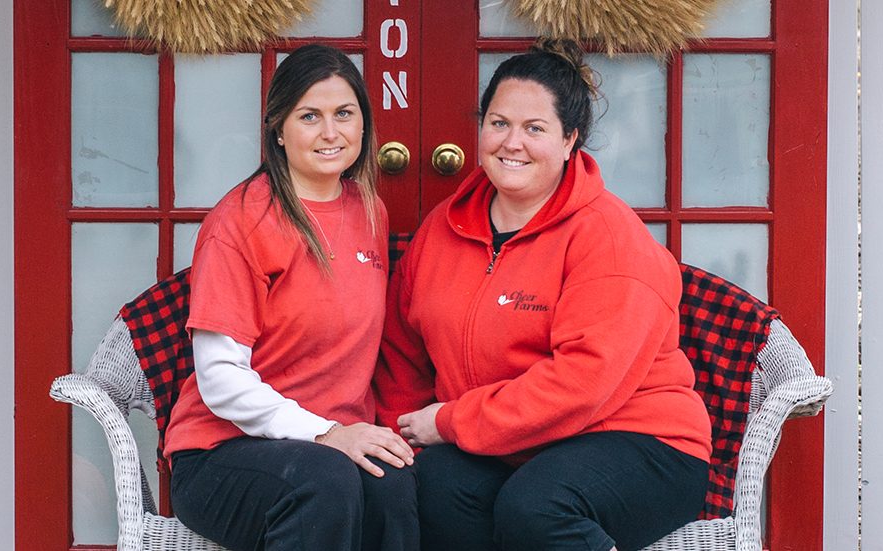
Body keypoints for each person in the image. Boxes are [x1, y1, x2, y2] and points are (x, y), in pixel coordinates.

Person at [375, 39, 711, 551]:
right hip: (508, 445)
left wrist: (449, 420)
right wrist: (403, 438)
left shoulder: (608, 236)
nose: (512, 143)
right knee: (430, 485)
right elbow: (403, 352)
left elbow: (583, 383)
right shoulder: (441, 229)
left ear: (570, 139)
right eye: (499, 123)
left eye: (535, 129)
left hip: (638, 442)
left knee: (537, 505)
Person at [165, 44, 418, 551]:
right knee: (324, 484)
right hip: (223, 452)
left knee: (396, 489)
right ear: (278, 130)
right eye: (310, 117)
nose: (331, 133)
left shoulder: (368, 209)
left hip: (333, 442)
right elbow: (220, 379)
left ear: (364, 125)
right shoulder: (241, 221)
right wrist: (326, 434)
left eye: (345, 114)